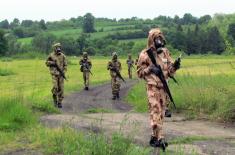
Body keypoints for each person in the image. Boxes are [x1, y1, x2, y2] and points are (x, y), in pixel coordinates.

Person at [137, 28, 180, 151]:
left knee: (161, 113)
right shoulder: (144, 54)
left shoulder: (165, 53)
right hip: (152, 87)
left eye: (161, 38)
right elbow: (139, 73)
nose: (159, 40)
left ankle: (153, 137)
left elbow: (170, 71)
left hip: (163, 88)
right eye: (157, 38)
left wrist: (175, 66)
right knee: (155, 111)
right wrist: (150, 69)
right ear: (152, 39)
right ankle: (160, 138)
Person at [46, 43, 67, 108]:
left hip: (61, 75)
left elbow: (65, 65)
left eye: (59, 47)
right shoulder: (51, 55)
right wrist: (52, 63)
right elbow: (46, 63)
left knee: (61, 88)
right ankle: (55, 98)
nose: (58, 49)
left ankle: (59, 102)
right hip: (54, 74)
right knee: (55, 87)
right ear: (54, 48)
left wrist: (63, 72)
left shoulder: (63, 56)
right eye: (57, 47)